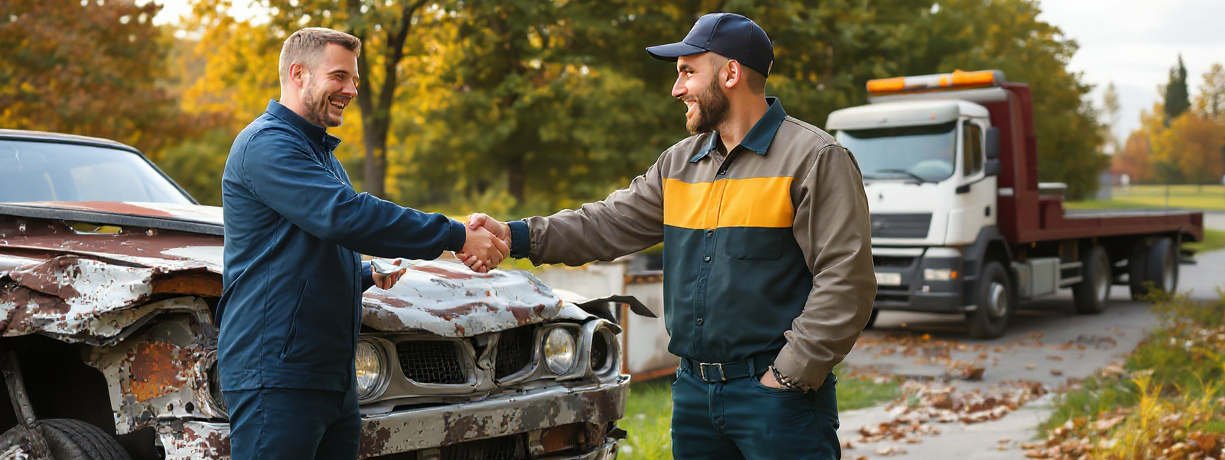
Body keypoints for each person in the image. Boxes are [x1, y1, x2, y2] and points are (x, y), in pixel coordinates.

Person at [464, 13, 876, 460]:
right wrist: (514, 234)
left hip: (779, 402)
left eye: (687, 72)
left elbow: (846, 283)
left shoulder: (815, 159)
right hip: (695, 398)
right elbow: (605, 223)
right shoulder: (679, 163)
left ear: (731, 73)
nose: (677, 89)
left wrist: (788, 377)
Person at [218, 27, 508, 460]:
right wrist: (456, 234)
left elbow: (298, 256)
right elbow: (346, 216)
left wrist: (366, 273)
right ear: (298, 74)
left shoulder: (322, 155)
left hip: (331, 377)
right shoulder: (267, 145)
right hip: (276, 374)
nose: (351, 90)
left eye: (354, 79)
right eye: (339, 76)